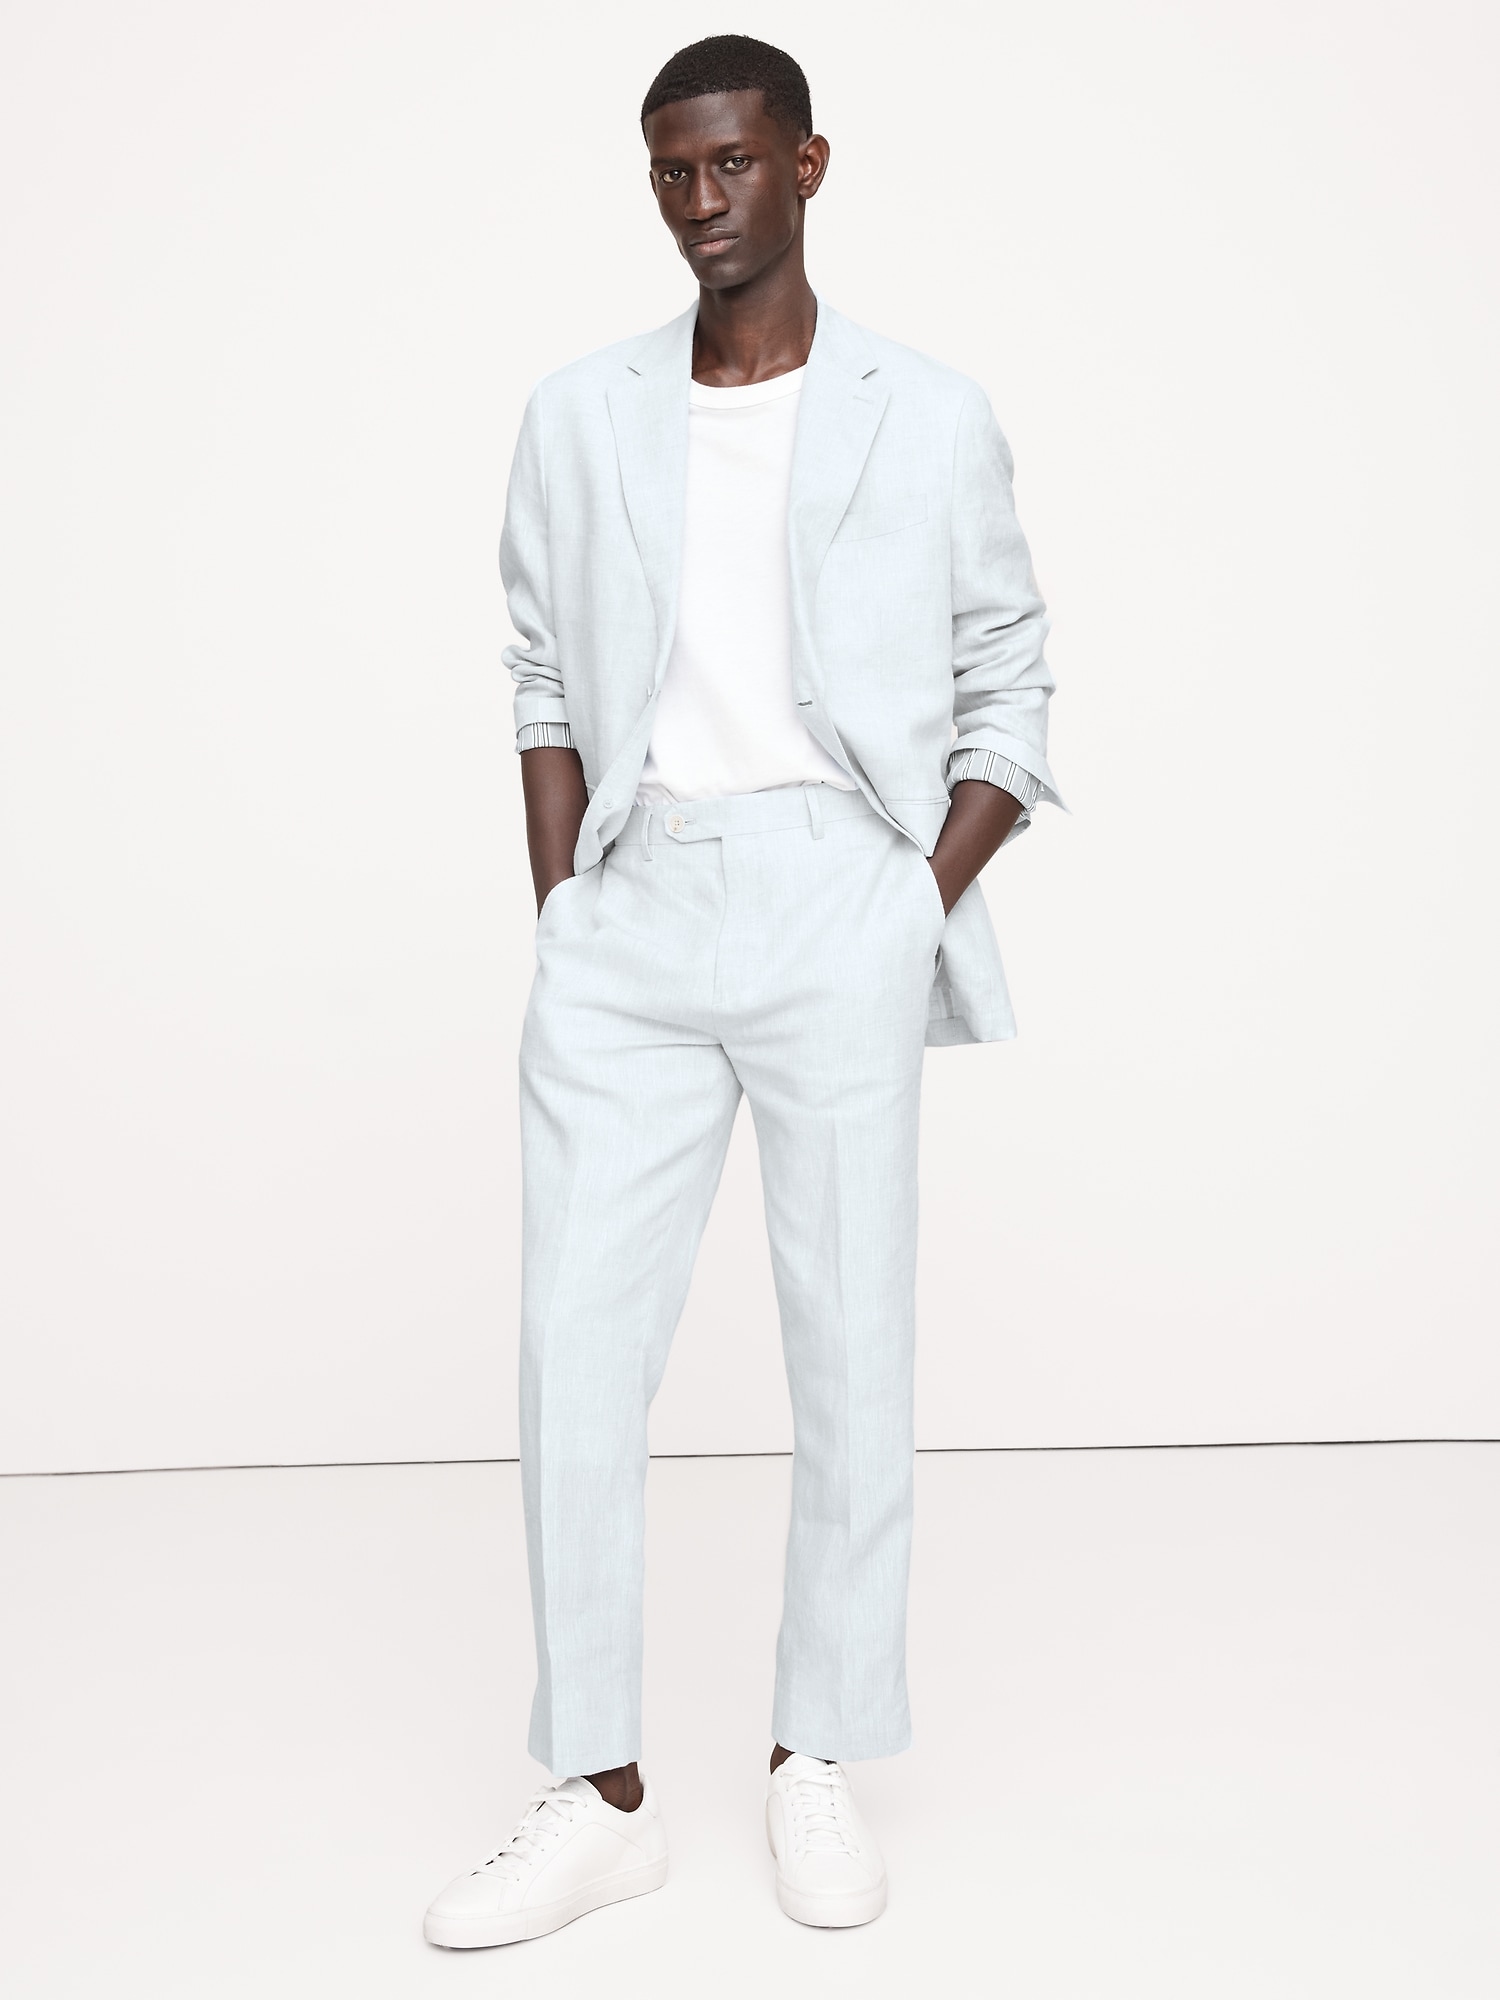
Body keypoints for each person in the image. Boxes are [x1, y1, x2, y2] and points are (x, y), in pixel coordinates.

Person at [424, 33, 1059, 1949]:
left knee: (849, 1343)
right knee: (573, 1347)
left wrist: (908, 902)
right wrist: (563, 904)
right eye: (670, 173)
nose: (700, 202)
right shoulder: (579, 412)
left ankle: (816, 1753)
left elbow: (1011, 684)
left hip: (832, 895)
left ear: (807, 164)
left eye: (731, 164)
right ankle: (600, 1792)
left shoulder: (924, 411)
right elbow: (542, 672)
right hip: (633, 909)